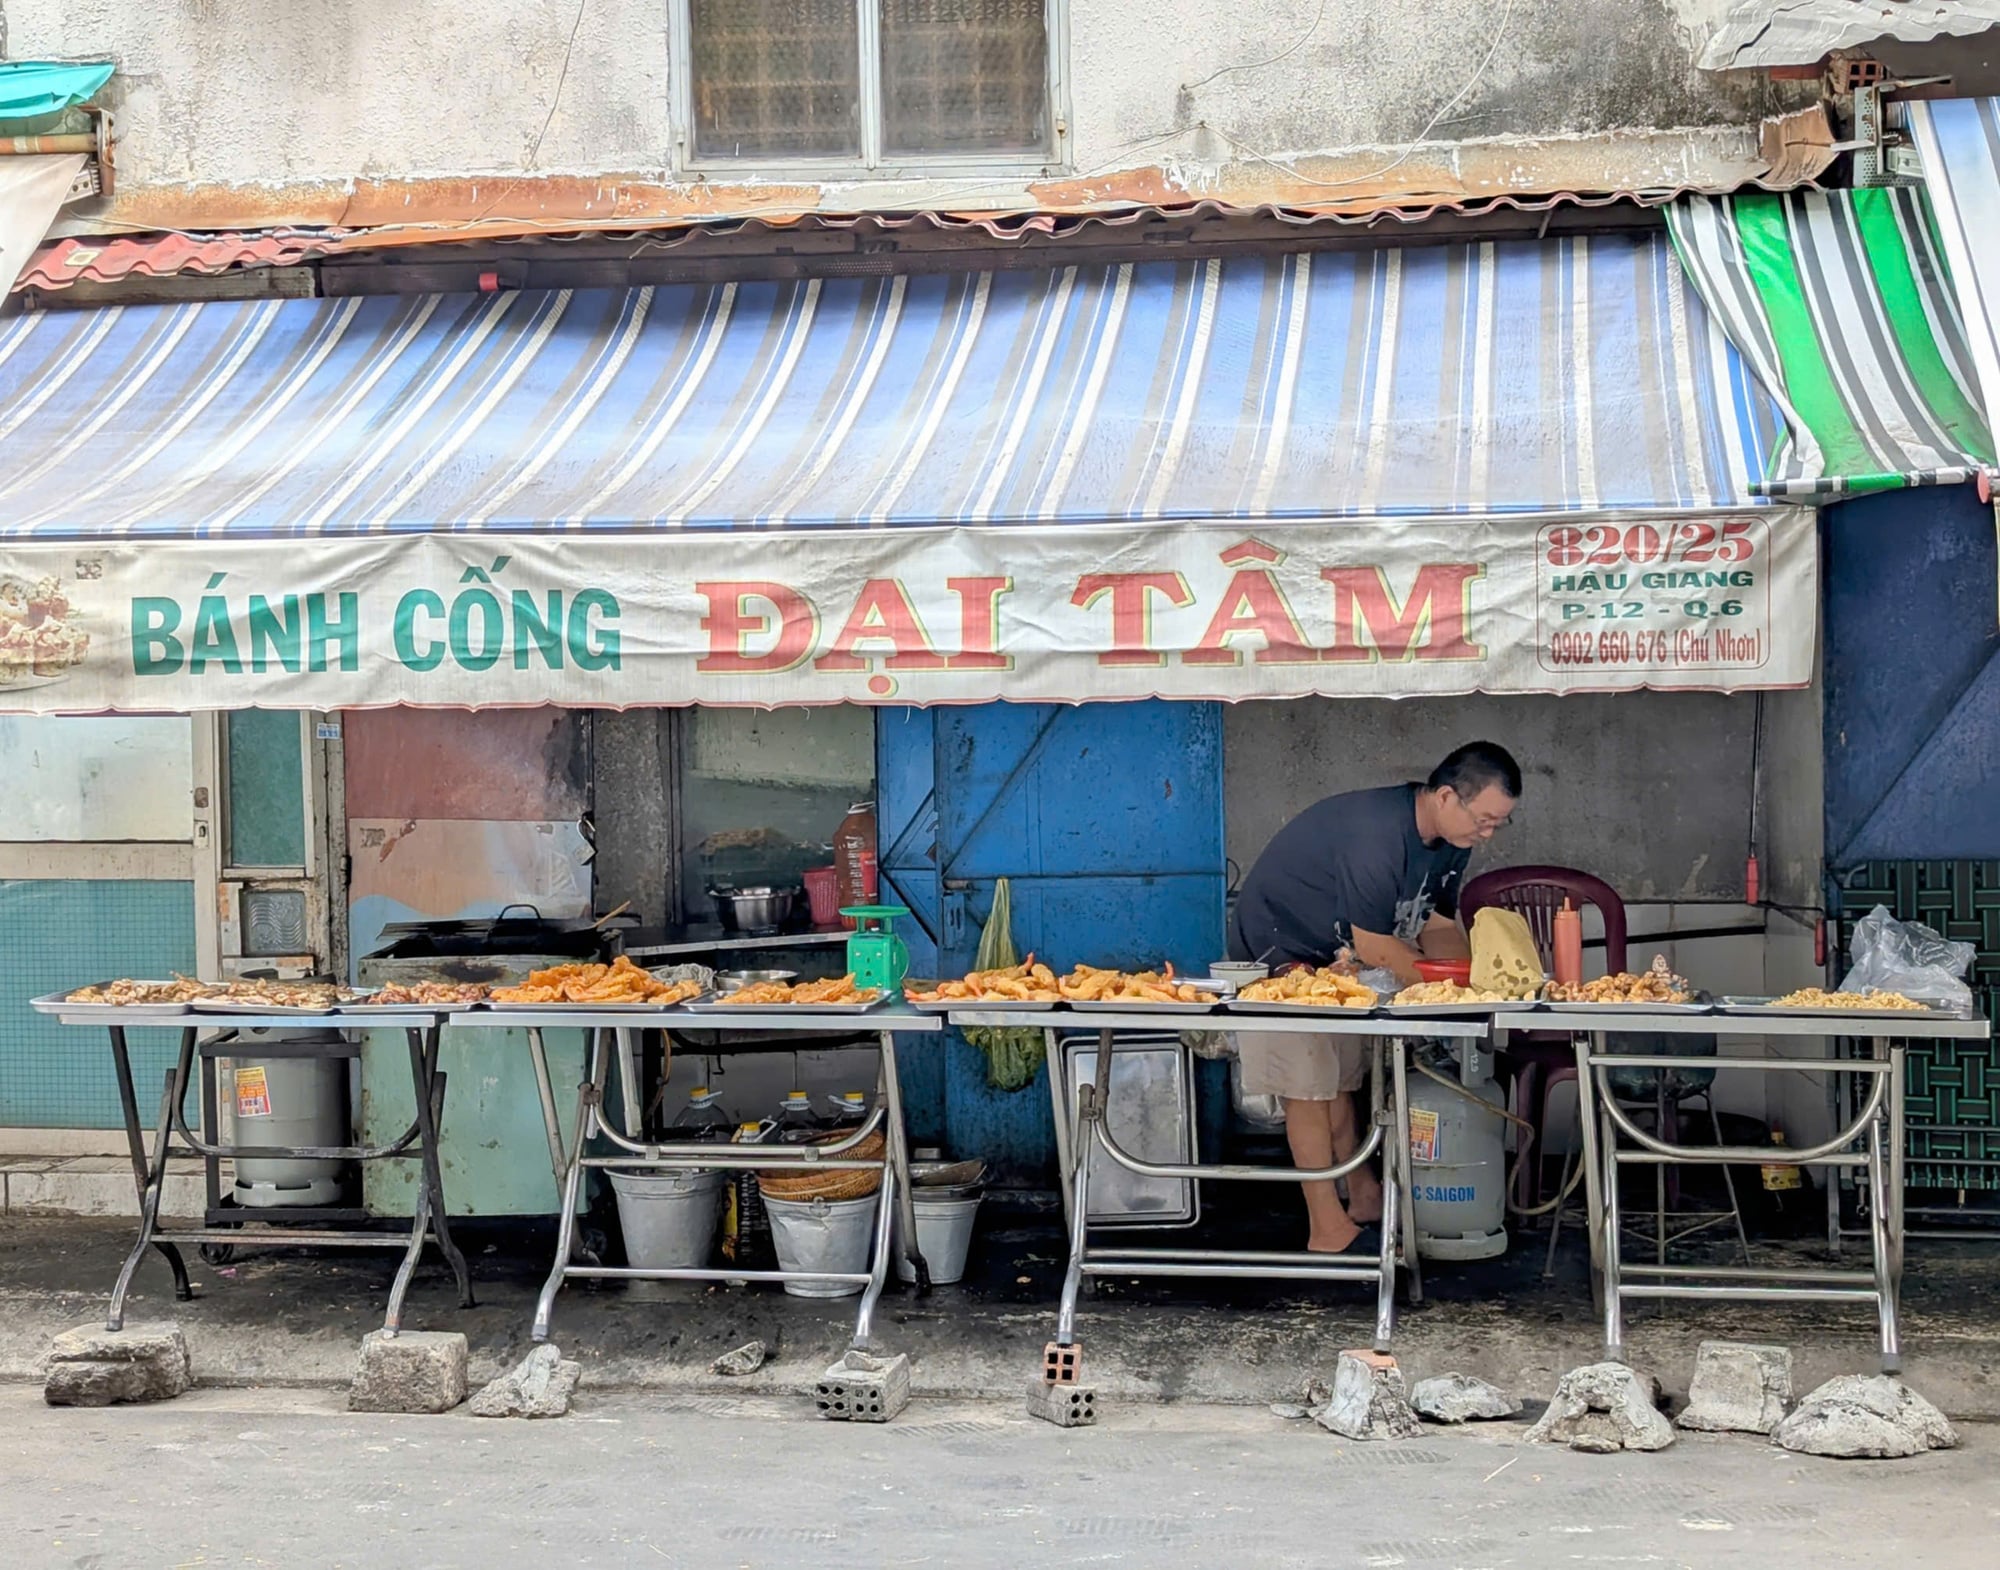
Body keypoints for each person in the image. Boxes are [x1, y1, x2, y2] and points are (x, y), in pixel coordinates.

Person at [1228, 741, 1522, 1253]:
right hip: (1277, 950)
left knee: (1342, 1077)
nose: (1488, 833)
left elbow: (1440, 924)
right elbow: (1374, 945)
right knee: (1308, 1085)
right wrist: (1442, 992)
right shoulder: (1378, 836)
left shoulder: (1453, 841)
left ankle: (1362, 1196)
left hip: (1333, 961)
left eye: (1500, 823)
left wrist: (1472, 987)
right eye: (1485, 819)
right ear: (1448, 797)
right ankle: (1325, 1227)